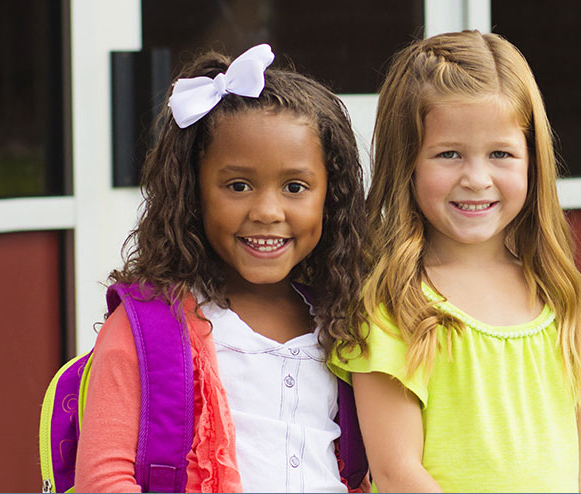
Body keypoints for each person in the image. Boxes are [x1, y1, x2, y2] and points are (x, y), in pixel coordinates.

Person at [326, 30, 581, 492]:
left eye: (500, 154)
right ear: (408, 163)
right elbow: (398, 473)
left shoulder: (565, 299)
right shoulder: (394, 305)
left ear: (531, 161)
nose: (477, 179)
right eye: (449, 154)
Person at [74, 44, 371, 492]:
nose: (268, 211)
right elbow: (104, 478)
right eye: (238, 185)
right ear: (193, 192)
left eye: (295, 186)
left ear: (331, 197)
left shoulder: (343, 322)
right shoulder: (148, 327)